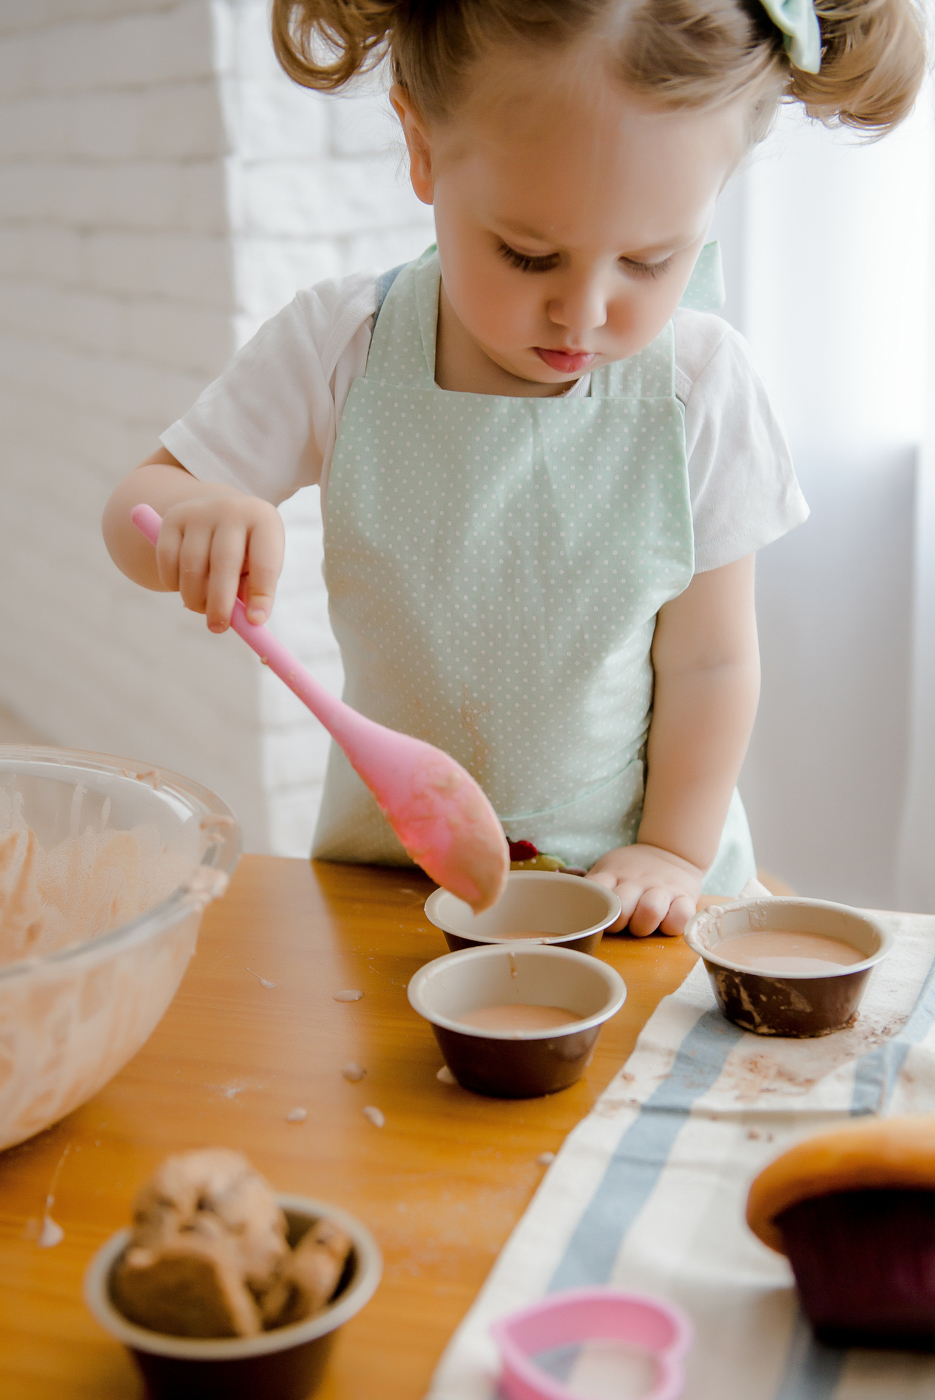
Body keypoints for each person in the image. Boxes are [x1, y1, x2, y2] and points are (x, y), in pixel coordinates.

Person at [102, 0, 925, 936]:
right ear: (420, 146)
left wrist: (673, 852)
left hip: (633, 892)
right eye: (528, 255)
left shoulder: (698, 388)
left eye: (650, 260)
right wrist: (194, 511)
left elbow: (711, 661)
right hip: (397, 875)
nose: (583, 313)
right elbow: (135, 507)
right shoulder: (341, 349)